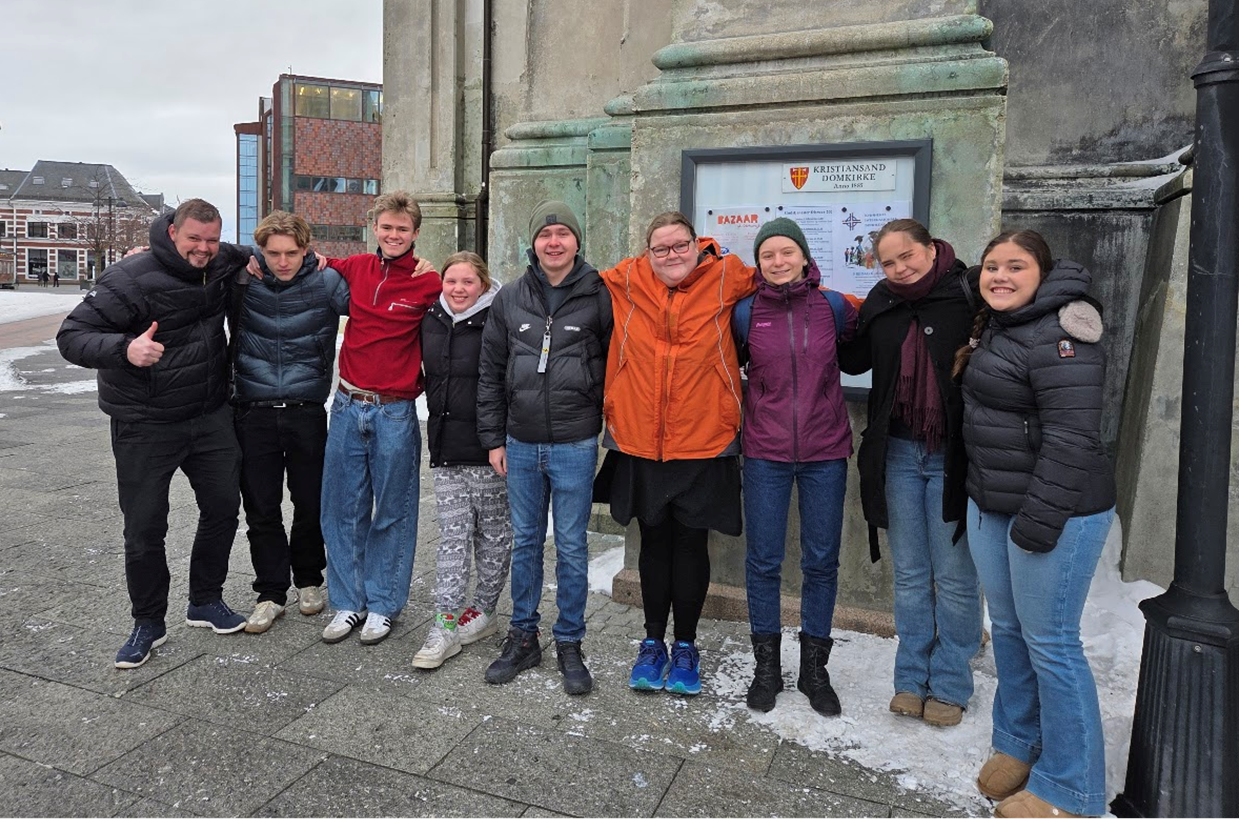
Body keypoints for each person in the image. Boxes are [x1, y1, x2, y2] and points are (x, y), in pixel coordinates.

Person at [955, 230, 1114, 819]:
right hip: (995, 503)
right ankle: (1020, 744)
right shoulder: (1000, 322)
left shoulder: (1064, 332)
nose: (999, 275)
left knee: (1053, 644)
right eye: (991, 265)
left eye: (1014, 266)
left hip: (1056, 510)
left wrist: (1038, 521)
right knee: (1014, 633)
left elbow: (1072, 438)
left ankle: (1070, 789)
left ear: (1041, 274)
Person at [57, 199, 250, 668]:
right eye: (193, 241)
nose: (203, 250)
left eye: (210, 240)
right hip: (145, 421)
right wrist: (126, 348)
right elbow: (71, 335)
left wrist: (314, 259)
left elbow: (251, 252)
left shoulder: (220, 259)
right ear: (171, 234)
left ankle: (205, 600)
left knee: (224, 509)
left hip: (208, 415)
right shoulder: (128, 278)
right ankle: (148, 621)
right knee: (144, 527)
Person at [593, 211, 755, 696]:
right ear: (647, 251)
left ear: (697, 244)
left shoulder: (727, 275)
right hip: (641, 439)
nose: (671, 256)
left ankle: (685, 644)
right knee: (652, 543)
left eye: (679, 245)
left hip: (703, 439)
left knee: (690, 545)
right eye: (660, 248)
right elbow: (562, 282)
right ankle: (651, 642)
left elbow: (789, 280)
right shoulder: (624, 279)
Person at [837, 219, 983, 728]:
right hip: (898, 452)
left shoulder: (969, 291)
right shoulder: (882, 300)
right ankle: (910, 679)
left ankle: (950, 683)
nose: (899, 269)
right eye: (889, 262)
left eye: (907, 257)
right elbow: (852, 358)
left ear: (931, 248)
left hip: (951, 454)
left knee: (956, 577)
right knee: (912, 574)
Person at [476, 200, 613, 695]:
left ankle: (570, 641)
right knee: (527, 542)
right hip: (521, 440)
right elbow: (489, 372)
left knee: (573, 546)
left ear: (577, 241)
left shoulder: (601, 295)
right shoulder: (511, 297)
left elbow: (619, 364)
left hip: (575, 442)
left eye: (563, 233)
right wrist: (493, 437)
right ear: (533, 243)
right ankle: (523, 636)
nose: (553, 241)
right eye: (545, 234)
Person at [739, 217, 858, 717]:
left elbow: (856, 358)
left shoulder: (832, 307)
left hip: (825, 450)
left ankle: (814, 670)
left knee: (820, 562)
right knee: (764, 561)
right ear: (759, 263)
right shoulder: (746, 313)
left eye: (787, 252)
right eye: (768, 255)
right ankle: (767, 668)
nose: (778, 261)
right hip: (764, 450)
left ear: (805, 257)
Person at [316, 192, 441, 646]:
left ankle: (384, 604)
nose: (393, 235)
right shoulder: (355, 268)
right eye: (386, 227)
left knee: (393, 510)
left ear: (415, 234)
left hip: (394, 411)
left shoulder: (430, 283)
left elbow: (478, 291)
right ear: (375, 228)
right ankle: (348, 602)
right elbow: (296, 254)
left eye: (402, 229)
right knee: (343, 507)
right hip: (348, 405)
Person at [229, 212, 350, 634]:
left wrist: (420, 272)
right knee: (261, 507)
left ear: (307, 249)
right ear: (259, 251)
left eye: (292, 253)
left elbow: (375, 301)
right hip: (253, 411)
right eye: (273, 253)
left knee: (311, 503)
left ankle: (310, 580)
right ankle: (270, 592)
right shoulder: (240, 280)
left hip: (306, 411)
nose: (283, 262)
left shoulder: (328, 282)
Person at [412, 251, 512, 669]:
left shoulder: (498, 318)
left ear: (484, 284)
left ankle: (484, 611)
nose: (457, 289)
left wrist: (502, 439)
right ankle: (444, 624)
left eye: (468, 281)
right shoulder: (431, 318)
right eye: (451, 280)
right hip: (447, 448)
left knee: (492, 535)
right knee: (453, 536)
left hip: (490, 448)